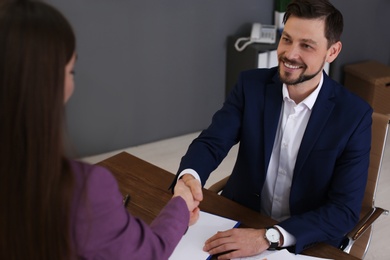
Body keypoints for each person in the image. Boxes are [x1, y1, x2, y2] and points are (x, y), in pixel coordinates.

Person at [171, 0, 372, 258]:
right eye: (286, 39)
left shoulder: (354, 116)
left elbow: (343, 210)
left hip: (304, 238)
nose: (290, 54)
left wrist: (270, 236)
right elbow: (212, 142)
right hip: (242, 218)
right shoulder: (250, 86)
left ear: (332, 52)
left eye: (306, 45)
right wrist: (190, 176)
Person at [0, 1, 199, 259]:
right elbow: (148, 252)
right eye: (71, 71)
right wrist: (180, 205)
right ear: (48, 83)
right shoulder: (82, 192)